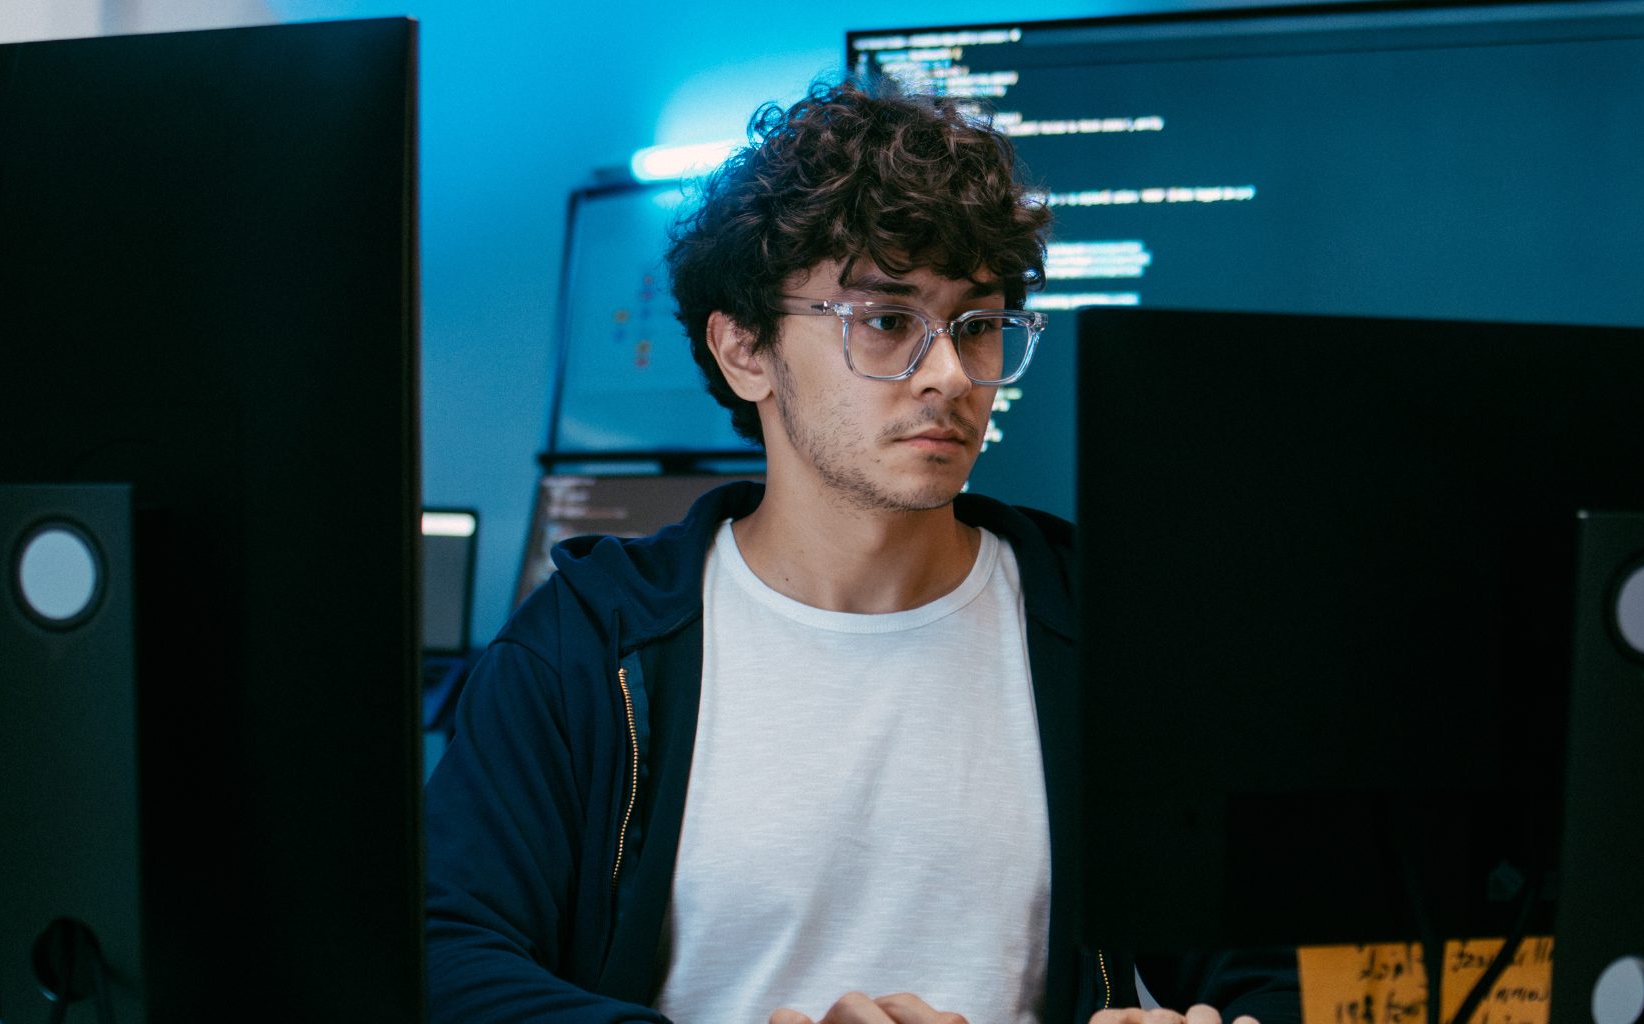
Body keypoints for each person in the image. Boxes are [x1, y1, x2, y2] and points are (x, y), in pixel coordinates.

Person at [424, 77, 1300, 1024]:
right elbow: (447, 960)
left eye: (980, 325)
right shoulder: (588, 648)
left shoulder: (1110, 630)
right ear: (744, 351)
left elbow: (1273, 962)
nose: (952, 375)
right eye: (886, 323)